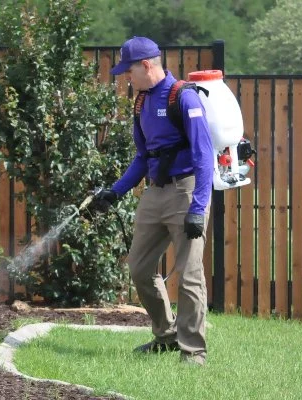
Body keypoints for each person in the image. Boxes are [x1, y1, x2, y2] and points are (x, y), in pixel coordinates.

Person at [90, 36, 213, 366]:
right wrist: (115, 191)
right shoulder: (141, 103)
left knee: (189, 275)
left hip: (186, 191)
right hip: (155, 192)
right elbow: (143, 157)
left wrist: (198, 208)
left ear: (146, 65)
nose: (125, 78)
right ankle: (166, 336)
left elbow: (204, 156)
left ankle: (194, 352)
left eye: (128, 71)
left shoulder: (183, 98)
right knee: (140, 268)